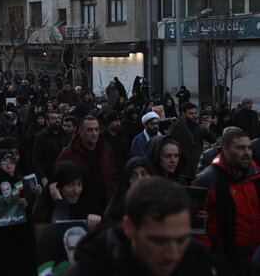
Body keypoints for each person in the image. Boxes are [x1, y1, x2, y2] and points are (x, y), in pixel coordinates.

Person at [61, 176, 215, 276]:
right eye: (158, 241)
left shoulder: (197, 262)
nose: (173, 254)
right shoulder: (87, 270)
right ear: (129, 227)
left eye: (181, 240)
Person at [192, 126, 260, 276]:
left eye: (249, 147)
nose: (246, 152)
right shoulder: (208, 180)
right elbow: (195, 226)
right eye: (240, 148)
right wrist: (212, 255)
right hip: (225, 261)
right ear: (225, 149)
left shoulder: (256, 176)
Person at [57, 116, 117, 216]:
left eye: (96, 129)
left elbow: (113, 175)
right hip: (79, 210)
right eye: (89, 130)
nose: (94, 133)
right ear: (80, 132)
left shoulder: (106, 150)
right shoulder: (68, 154)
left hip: (106, 208)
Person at [32, 160, 101, 230]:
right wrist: (60, 204)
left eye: (79, 184)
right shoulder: (43, 211)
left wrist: (95, 220)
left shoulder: (85, 206)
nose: (76, 190)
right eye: (70, 185)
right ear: (58, 186)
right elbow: (55, 234)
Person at [168, 102, 216, 181]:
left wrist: (207, 130)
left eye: (195, 113)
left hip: (197, 168)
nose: (194, 116)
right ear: (183, 114)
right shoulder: (175, 127)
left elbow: (212, 140)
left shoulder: (200, 124)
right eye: (191, 113)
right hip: (182, 169)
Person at [103, 156, 155, 223]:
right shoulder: (117, 210)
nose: (139, 179)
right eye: (134, 175)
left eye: (144, 174)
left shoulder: (162, 202)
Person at [32, 111, 71, 187]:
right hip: (49, 175)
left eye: (59, 118)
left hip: (65, 174)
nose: (57, 120)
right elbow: (36, 160)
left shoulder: (67, 135)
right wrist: (43, 177)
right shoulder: (40, 137)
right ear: (47, 121)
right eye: (54, 118)